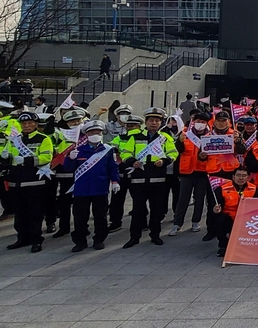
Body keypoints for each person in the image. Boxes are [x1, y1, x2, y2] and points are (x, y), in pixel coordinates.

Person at [120, 108, 178, 248]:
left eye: (157, 120)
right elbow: (125, 152)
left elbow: (173, 153)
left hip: (158, 179)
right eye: (151, 120)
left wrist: (164, 161)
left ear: (161, 122)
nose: (154, 123)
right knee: (137, 210)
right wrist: (131, 161)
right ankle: (134, 237)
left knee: (156, 210)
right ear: (145, 122)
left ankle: (155, 235)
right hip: (139, 178)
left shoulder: (165, 137)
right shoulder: (135, 136)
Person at [3, 111, 55, 253]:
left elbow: (46, 158)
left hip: (35, 182)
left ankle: (36, 240)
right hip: (17, 181)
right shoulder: (14, 140)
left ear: (36, 124)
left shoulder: (43, 139)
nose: (27, 126)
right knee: (19, 214)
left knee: (35, 214)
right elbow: (6, 159)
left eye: (30, 123)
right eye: (24, 123)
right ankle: (22, 238)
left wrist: (26, 160)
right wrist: (4, 157)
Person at [65, 120, 120, 252]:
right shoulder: (78, 150)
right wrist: (70, 158)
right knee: (80, 217)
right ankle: (80, 241)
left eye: (98, 132)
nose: (95, 134)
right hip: (81, 190)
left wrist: (115, 181)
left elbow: (113, 168)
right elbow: (68, 169)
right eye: (92, 132)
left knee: (100, 217)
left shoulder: (108, 150)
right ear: (87, 134)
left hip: (100, 188)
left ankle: (99, 240)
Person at [170, 110, 214, 234]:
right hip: (186, 172)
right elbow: (178, 151)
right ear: (193, 122)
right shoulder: (185, 134)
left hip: (202, 172)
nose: (200, 124)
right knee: (182, 199)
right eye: (198, 121)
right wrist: (179, 141)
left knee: (199, 199)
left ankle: (196, 222)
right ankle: (177, 223)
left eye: (203, 122)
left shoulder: (210, 136)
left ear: (206, 123)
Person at [50, 109, 86, 238]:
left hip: (83, 174)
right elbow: (54, 152)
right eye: (72, 121)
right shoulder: (61, 135)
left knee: (80, 204)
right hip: (65, 174)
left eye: (78, 120)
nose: (76, 123)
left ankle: (82, 227)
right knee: (64, 203)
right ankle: (64, 227)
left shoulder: (87, 135)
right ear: (67, 123)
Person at [206, 167, 256, 257]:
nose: (241, 178)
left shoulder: (254, 189)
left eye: (244, 176)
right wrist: (215, 210)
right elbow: (215, 205)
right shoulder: (223, 188)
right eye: (238, 175)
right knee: (219, 219)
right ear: (233, 177)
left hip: (246, 218)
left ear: (248, 177)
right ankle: (223, 246)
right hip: (229, 218)